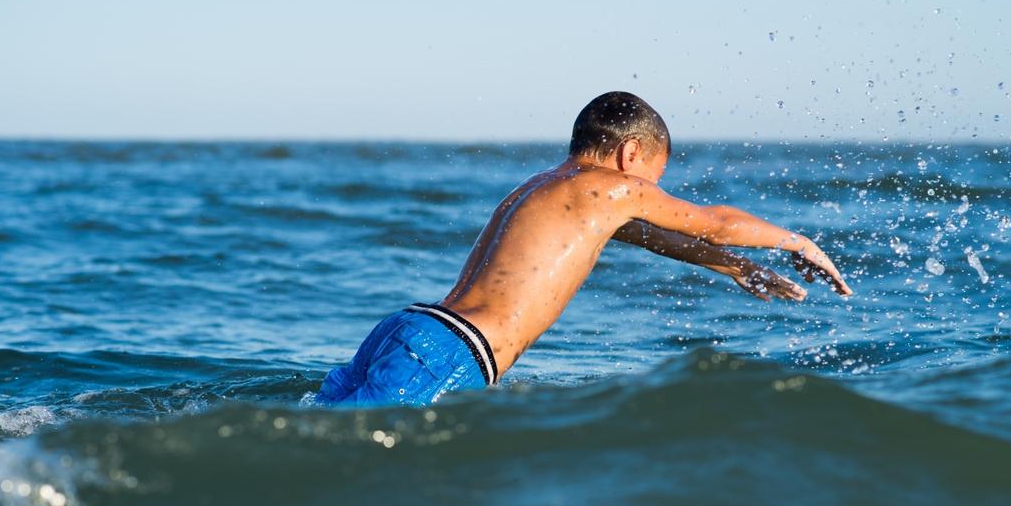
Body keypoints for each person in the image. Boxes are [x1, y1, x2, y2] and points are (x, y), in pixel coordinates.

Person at [316, 91, 852, 407]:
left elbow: (647, 235)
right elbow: (713, 222)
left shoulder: (547, 188)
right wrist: (796, 240)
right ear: (631, 153)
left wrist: (736, 267)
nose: (650, 195)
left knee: (317, 433)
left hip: (409, 328)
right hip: (449, 352)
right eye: (653, 179)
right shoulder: (611, 186)